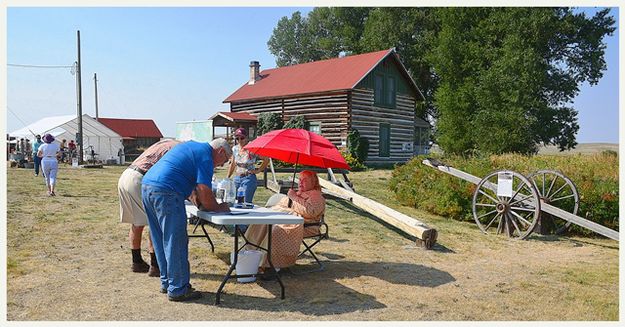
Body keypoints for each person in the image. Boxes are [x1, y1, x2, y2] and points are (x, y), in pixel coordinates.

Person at [141, 138, 232, 302]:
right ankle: (178, 289)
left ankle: (168, 282)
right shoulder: (206, 156)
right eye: (224, 161)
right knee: (175, 241)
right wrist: (218, 207)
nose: (220, 165)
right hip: (167, 191)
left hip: (148, 186)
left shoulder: (192, 147)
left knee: (161, 238)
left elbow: (193, 187)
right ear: (220, 151)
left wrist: (199, 202)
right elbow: (204, 189)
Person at [118, 139, 180, 276]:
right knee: (154, 222)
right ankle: (155, 265)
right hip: (141, 177)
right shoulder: (177, 149)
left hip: (126, 175)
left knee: (137, 222)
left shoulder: (162, 144)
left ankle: (137, 261)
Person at [244, 170, 326, 274]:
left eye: (304, 180)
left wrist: (294, 198)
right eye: (300, 180)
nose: (300, 183)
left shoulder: (316, 196)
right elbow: (285, 204)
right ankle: (248, 255)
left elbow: (310, 212)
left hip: (305, 225)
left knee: (277, 230)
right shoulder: (299, 192)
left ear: (313, 182)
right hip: (286, 217)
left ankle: (270, 265)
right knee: (259, 223)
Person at [226, 127, 269, 204]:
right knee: (234, 202)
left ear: (246, 138)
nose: (239, 140)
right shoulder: (235, 149)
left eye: (242, 138)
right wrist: (227, 177)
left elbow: (266, 159)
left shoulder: (252, 148)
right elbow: (232, 164)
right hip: (237, 178)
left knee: (245, 203)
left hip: (248, 178)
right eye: (237, 138)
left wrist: (258, 170)